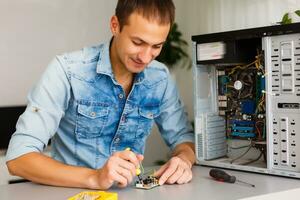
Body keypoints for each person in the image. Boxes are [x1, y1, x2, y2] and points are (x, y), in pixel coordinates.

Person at [6, 0, 195, 190]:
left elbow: (184, 139)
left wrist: (183, 159)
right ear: (115, 25)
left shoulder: (160, 78)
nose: (145, 57)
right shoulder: (67, 71)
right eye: (138, 42)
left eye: (156, 46)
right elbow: (19, 158)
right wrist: (95, 177)